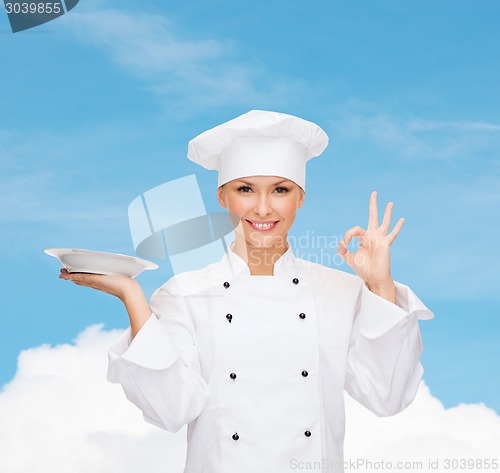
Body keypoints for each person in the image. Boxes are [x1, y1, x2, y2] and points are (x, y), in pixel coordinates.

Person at [59, 110, 434, 473]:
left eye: (281, 190)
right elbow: (171, 409)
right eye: (245, 189)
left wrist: (380, 285)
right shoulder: (187, 294)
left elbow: (387, 397)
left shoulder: (340, 292)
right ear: (222, 197)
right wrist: (131, 295)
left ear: (300, 198)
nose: (263, 207)